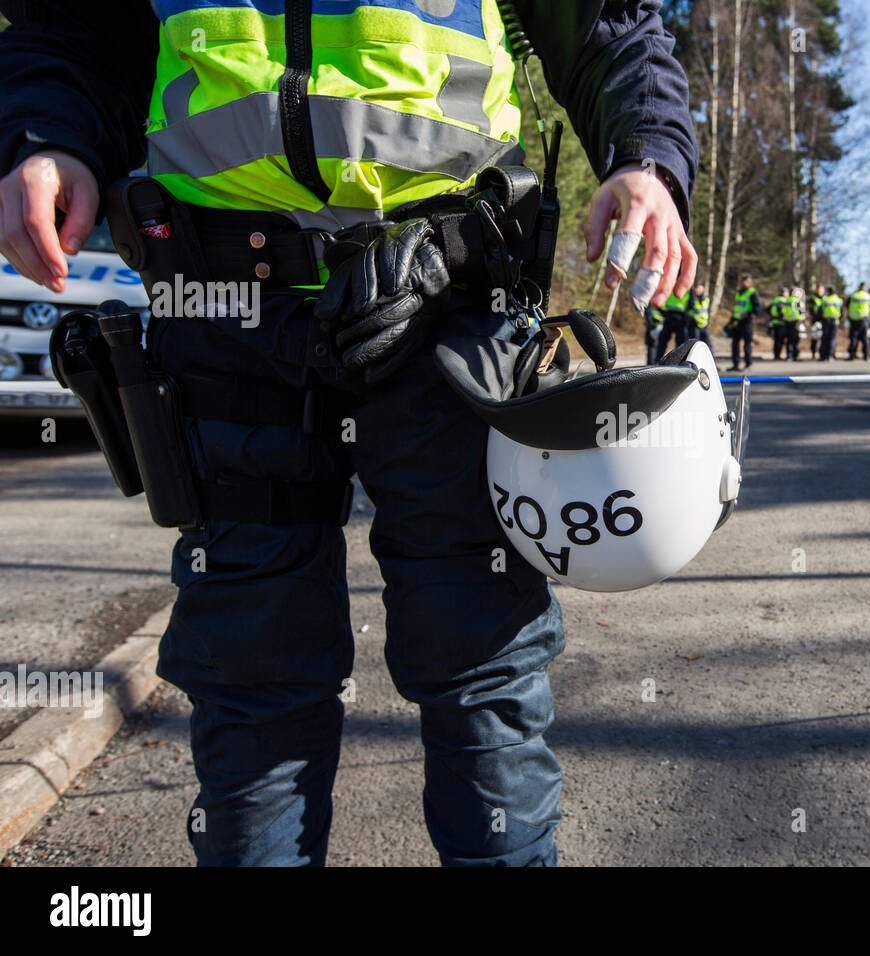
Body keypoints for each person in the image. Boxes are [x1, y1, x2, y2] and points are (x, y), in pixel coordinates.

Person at [0, 0, 698, 868]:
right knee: (252, 671)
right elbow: (70, 27)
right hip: (222, 310)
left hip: (448, 296)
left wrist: (648, 157)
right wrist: (45, 136)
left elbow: (607, 25)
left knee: (479, 654)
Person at [728, 273, 760, 371]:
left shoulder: (752, 293)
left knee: (747, 343)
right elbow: (737, 308)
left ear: (750, 282)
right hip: (737, 321)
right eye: (743, 281)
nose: (744, 282)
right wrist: (731, 320)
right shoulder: (739, 292)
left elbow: (758, 307)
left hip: (747, 322)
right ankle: (735, 364)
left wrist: (748, 313)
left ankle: (748, 364)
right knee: (734, 343)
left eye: (746, 281)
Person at [654, 288, 691, 362]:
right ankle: (679, 362)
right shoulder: (688, 285)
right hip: (680, 317)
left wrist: (664, 313)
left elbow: (660, 297)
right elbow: (692, 303)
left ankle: (657, 362)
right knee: (680, 344)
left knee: (663, 342)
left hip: (669, 316)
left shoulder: (670, 282)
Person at [846, 283, 870, 360]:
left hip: (854, 319)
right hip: (864, 320)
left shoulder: (853, 295)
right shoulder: (868, 296)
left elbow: (847, 306)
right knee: (865, 338)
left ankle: (852, 355)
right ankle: (866, 355)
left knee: (854, 338)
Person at [818, 285, 842, 361]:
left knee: (824, 339)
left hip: (826, 321)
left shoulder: (824, 300)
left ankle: (823, 356)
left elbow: (820, 312)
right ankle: (830, 355)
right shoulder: (838, 300)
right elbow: (842, 312)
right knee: (832, 339)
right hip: (835, 321)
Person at [687, 282, 712, 353]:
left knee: (708, 344)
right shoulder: (692, 299)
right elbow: (689, 311)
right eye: (696, 289)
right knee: (694, 345)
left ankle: (711, 360)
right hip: (694, 324)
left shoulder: (706, 299)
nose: (697, 290)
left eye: (699, 289)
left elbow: (707, 312)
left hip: (704, 325)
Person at [769, 286, 790, 361]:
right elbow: (780, 310)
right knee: (780, 340)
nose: (787, 294)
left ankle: (776, 355)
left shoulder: (776, 299)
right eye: (786, 292)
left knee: (777, 340)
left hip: (775, 322)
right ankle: (777, 355)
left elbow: (768, 309)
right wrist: (783, 317)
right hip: (780, 323)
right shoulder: (782, 300)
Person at [787, 286, 806, 361]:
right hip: (796, 322)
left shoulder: (788, 300)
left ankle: (789, 355)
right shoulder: (797, 301)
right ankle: (795, 355)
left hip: (788, 322)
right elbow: (801, 312)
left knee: (789, 340)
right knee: (795, 340)